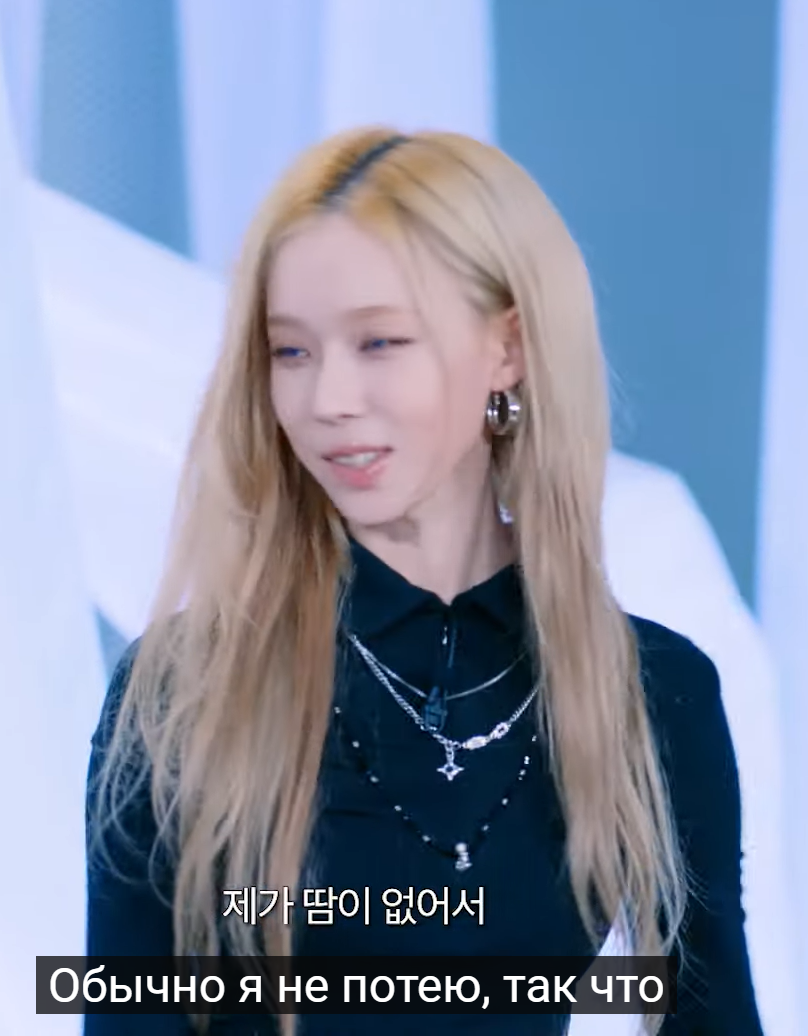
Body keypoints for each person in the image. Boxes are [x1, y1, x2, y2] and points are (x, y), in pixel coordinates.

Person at [85, 127, 762, 1035]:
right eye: (291, 352)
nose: (328, 401)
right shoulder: (184, 693)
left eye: (380, 342)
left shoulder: (652, 694)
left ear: (508, 349)